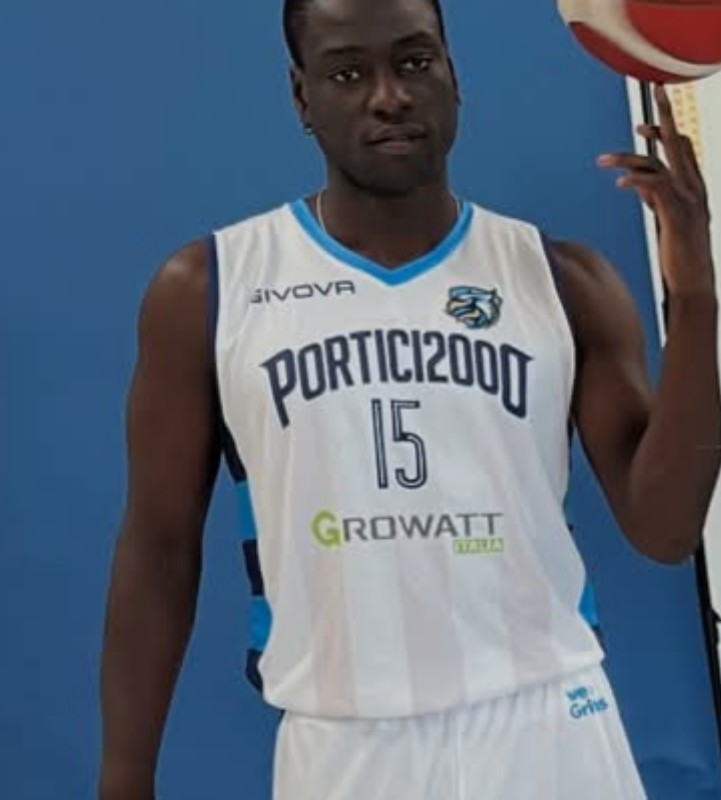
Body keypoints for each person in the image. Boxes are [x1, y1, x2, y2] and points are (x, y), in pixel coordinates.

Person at [98, 0, 721, 797]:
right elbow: (159, 547)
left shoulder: (562, 279)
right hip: (343, 742)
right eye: (347, 73)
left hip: (552, 723)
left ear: (453, 76)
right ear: (301, 96)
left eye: (415, 61)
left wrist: (694, 297)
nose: (388, 95)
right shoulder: (209, 287)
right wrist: (123, 778)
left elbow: (666, 530)